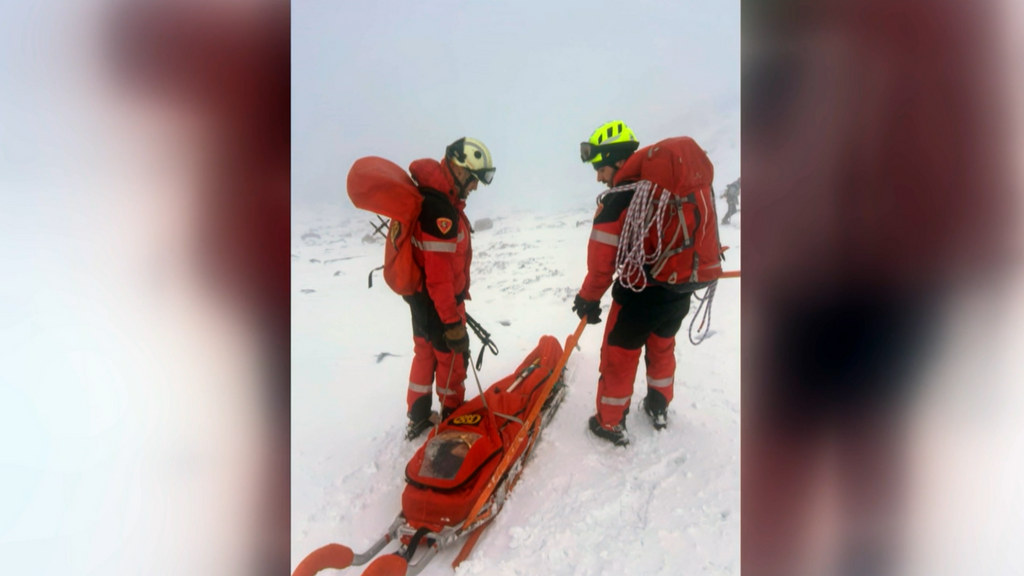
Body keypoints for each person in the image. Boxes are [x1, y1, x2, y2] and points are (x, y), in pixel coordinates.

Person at [572, 120, 702, 447]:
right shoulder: (668, 190)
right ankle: (659, 407)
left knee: (619, 357)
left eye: (600, 169)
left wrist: (587, 299)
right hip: (678, 293)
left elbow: (601, 267)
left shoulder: (618, 200)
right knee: (662, 348)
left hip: (638, 297)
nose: (599, 177)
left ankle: (610, 423)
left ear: (618, 161)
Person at [404, 137, 496, 440]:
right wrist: (453, 322)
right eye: (474, 178)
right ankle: (453, 421)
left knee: (425, 353)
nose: (475, 186)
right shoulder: (440, 211)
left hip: (420, 300)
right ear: (459, 170)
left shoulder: (432, 198)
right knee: (452, 360)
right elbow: (440, 278)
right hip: (440, 303)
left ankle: (418, 416)